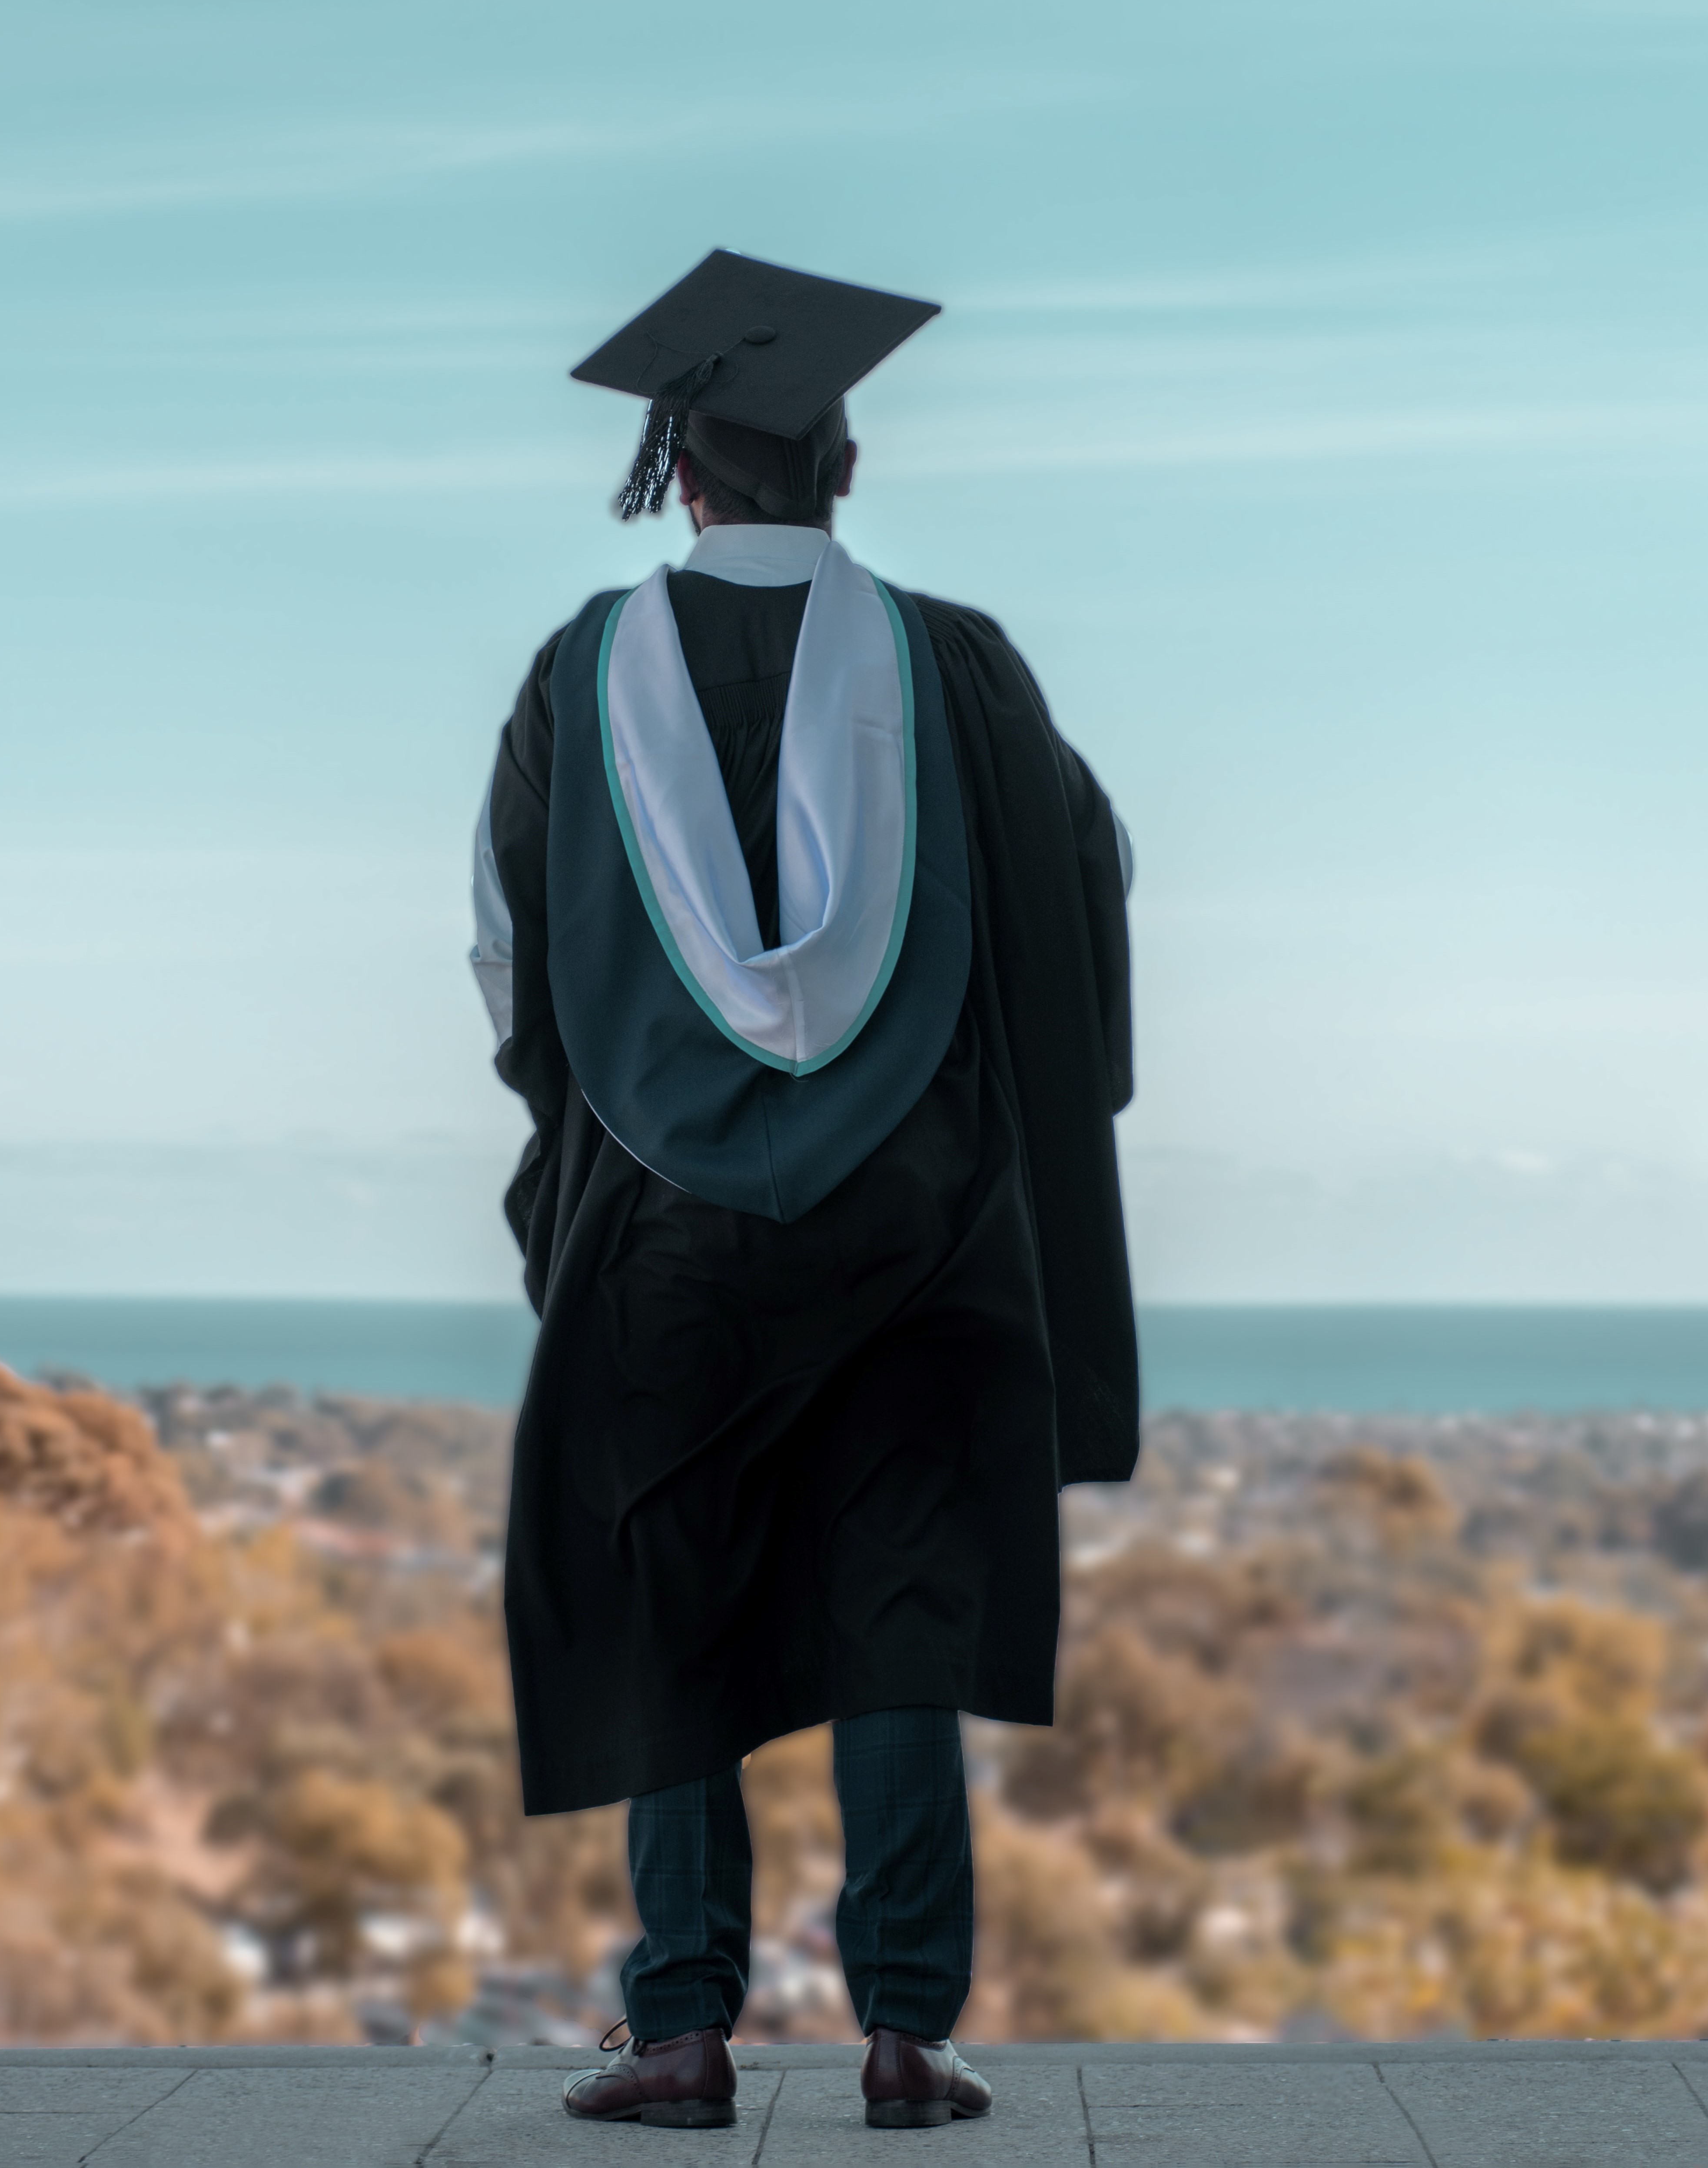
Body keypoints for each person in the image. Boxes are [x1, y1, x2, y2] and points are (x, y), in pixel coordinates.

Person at [469, 250, 1137, 2132]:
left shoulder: (577, 673)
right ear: (843, 461)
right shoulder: (964, 665)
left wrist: (589, 1132)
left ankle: (682, 2031)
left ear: (684, 477)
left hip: (669, 1227)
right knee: (900, 1607)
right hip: (919, 1214)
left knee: (677, 1604)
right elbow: (1088, 885)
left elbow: (514, 957)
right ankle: (908, 2039)